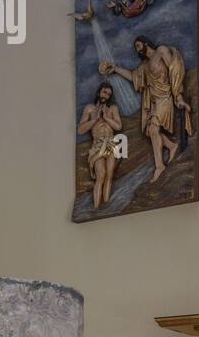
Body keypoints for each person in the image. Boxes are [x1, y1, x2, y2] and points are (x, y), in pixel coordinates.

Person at [99, 36, 191, 182]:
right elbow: (132, 76)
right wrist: (114, 69)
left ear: (145, 42)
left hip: (165, 97)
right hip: (154, 102)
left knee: (154, 129)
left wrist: (178, 97)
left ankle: (159, 166)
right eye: (135, 47)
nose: (137, 48)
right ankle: (172, 145)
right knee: (150, 130)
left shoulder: (160, 51)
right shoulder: (144, 66)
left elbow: (175, 71)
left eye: (138, 44)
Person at [77, 81, 123, 209]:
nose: (106, 95)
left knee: (109, 175)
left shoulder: (113, 109)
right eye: (104, 92)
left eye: (108, 94)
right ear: (99, 92)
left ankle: (106, 205)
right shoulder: (90, 109)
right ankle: (96, 207)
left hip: (110, 142)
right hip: (97, 144)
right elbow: (80, 130)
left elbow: (119, 126)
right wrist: (95, 119)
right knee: (101, 175)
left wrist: (106, 118)